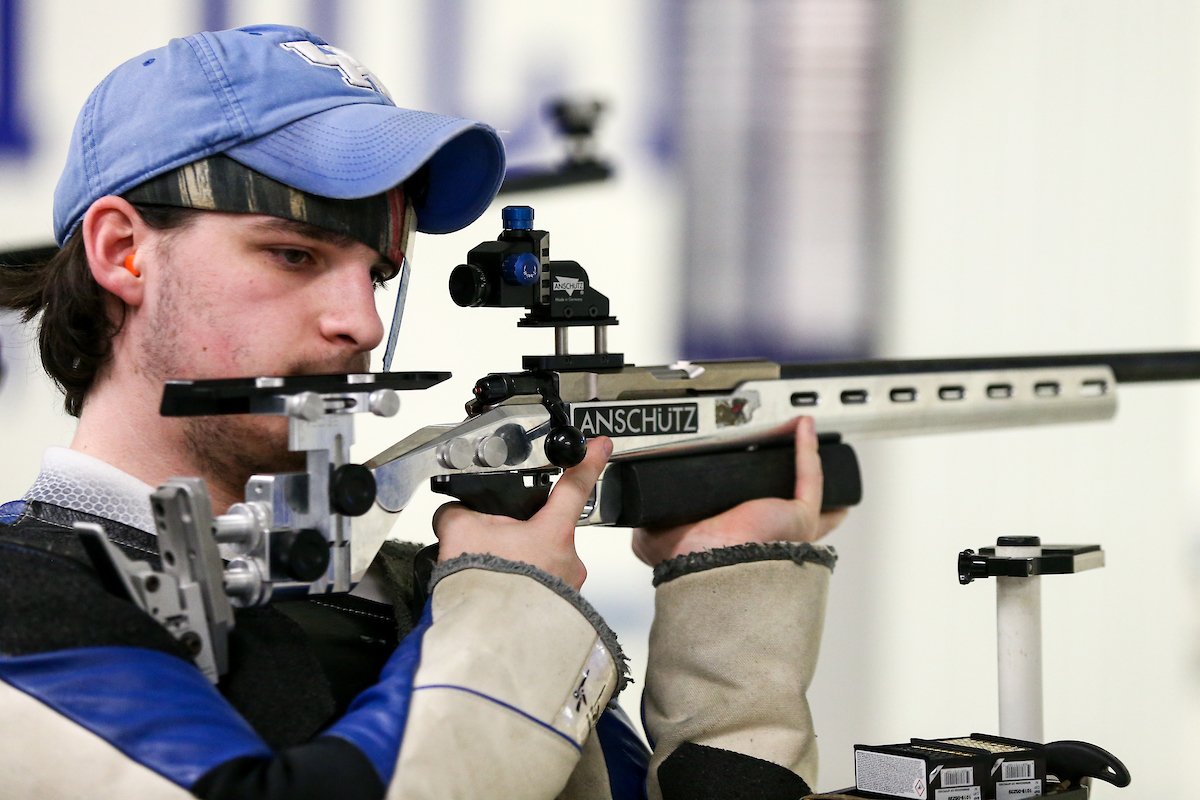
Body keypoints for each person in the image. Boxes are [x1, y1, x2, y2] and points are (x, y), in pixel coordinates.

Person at [0, 24, 845, 800]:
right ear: (122, 252)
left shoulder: (413, 593)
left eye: (377, 274)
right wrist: (508, 604)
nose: (360, 324)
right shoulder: (23, 598)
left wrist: (730, 604)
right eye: (293, 252)